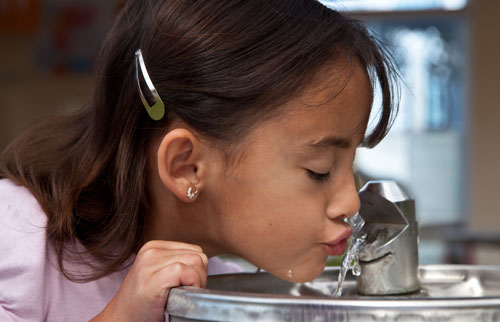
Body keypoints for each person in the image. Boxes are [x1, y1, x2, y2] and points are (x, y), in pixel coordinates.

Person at [0, 0, 398, 321]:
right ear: (185, 166)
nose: (351, 201)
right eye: (320, 170)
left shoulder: (225, 295)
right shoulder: (16, 238)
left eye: (350, 165)